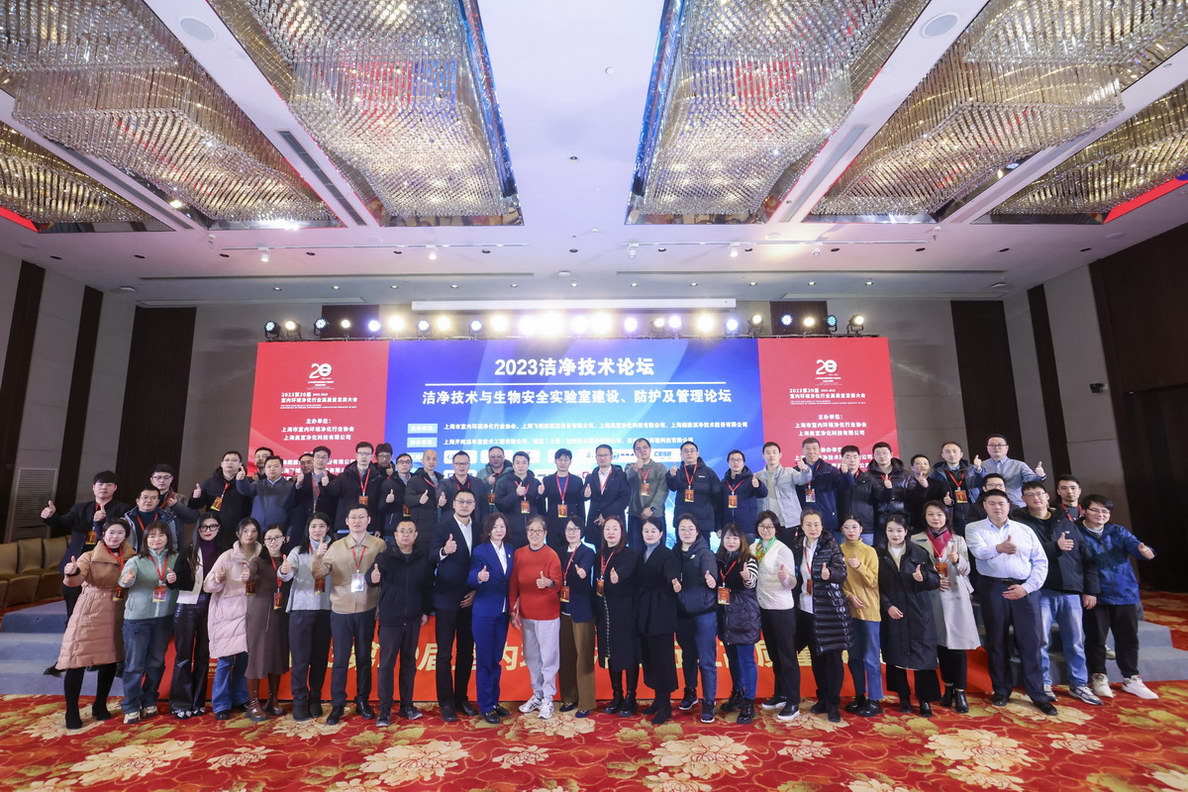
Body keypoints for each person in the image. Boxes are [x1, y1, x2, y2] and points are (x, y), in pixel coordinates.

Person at [1011, 481, 1102, 705]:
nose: (1036, 498)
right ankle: (1043, 682)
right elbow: (1023, 552)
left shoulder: (1065, 519)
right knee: (1040, 640)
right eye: (1030, 495)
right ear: (1023, 499)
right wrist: (1055, 547)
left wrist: (1090, 590)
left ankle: (1079, 684)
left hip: (1070, 588)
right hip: (1040, 589)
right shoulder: (1019, 523)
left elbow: (1086, 556)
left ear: (1047, 495)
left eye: (1039, 493)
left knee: (1075, 641)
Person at [965, 490, 1055, 714]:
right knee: (997, 641)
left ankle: (1037, 693)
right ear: (984, 506)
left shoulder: (1024, 530)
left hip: (1025, 589)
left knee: (1031, 642)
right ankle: (1001, 690)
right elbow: (979, 552)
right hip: (993, 588)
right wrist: (999, 548)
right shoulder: (974, 528)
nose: (997, 507)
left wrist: (1027, 587)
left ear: (1009, 505)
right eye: (992, 503)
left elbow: (1040, 561)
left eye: (1001, 503)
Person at [1078, 494, 1159, 700]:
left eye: (1105, 511)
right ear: (1084, 511)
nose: (1100, 514)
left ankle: (1131, 678)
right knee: (1096, 638)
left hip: (1123, 592)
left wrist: (1145, 551)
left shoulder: (1117, 531)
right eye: (1095, 510)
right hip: (1094, 594)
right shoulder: (1076, 531)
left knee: (1128, 638)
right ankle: (1098, 676)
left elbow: (1136, 546)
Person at [56, 518, 133, 728]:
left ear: (125, 536)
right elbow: (75, 579)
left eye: (120, 533)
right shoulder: (88, 556)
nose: (115, 536)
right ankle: (72, 710)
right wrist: (71, 571)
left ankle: (100, 704)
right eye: (111, 532)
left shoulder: (132, 556)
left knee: (110, 659)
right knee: (77, 658)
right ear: (103, 534)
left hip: (117, 608)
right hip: (90, 609)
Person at [313, 505, 386, 724]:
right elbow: (319, 573)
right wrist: (318, 557)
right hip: (341, 609)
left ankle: (362, 700)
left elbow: (385, 575)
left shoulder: (379, 545)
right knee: (341, 659)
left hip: (367, 608)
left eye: (361, 517)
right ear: (346, 521)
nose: (357, 521)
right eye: (353, 517)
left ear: (369, 520)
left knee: (364, 658)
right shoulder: (335, 546)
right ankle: (338, 704)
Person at [910, 501, 980, 714]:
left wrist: (957, 560)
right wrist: (931, 580)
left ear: (946, 517)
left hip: (955, 596)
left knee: (957, 647)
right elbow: (913, 569)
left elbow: (967, 569)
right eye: (931, 514)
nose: (935, 518)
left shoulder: (957, 540)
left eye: (939, 515)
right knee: (940, 645)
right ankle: (947, 688)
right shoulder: (916, 539)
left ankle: (960, 692)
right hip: (931, 596)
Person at [877, 514, 942, 717]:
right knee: (895, 655)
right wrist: (887, 606)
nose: (895, 534)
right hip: (893, 611)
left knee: (924, 656)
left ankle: (924, 700)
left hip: (918, 611)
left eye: (899, 530)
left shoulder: (919, 552)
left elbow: (935, 580)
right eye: (890, 530)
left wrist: (924, 577)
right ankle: (903, 697)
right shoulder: (878, 553)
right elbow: (875, 586)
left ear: (906, 532)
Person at [370, 519, 433, 726]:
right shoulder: (385, 557)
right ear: (395, 535)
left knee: (408, 663)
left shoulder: (422, 558)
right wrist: (372, 577)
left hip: (413, 619)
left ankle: (407, 705)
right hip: (390, 619)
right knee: (386, 665)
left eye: (410, 531)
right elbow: (370, 577)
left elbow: (427, 587)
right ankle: (385, 709)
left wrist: (425, 611)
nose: (406, 535)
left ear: (416, 535)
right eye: (402, 531)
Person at [117, 522, 181, 723]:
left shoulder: (176, 558)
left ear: (168, 538)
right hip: (137, 620)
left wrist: (176, 579)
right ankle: (131, 705)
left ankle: (149, 699)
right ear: (145, 539)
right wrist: (128, 579)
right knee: (134, 665)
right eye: (152, 536)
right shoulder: (136, 560)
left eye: (161, 535)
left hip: (164, 618)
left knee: (156, 663)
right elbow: (124, 581)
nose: (157, 539)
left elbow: (184, 583)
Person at [42, 470, 127, 620]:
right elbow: (62, 523)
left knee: (100, 606)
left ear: (115, 488)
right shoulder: (80, 508)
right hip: (77, 559)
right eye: (100, 484)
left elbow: (123, 532)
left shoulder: (122, 509)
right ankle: (71, 627)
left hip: (104, 562)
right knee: (71, 598)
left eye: (109, 484)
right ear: (93, 487)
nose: (104, 487)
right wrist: (51, 516)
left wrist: (102, 522)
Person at [791, 508, 850, 722]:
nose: (813, 528)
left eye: (816, 524)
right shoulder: (798, 546)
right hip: (806, 610)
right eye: (808, 524)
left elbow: (842, 572)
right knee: (816, 658)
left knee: (832, 659)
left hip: (829, 611)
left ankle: (833, 704)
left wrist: (830, 573)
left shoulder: (831, 545)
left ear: (822, 525)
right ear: (802, 526)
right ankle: (822, 698)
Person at [169, 515, 226, 719]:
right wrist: (171, 579)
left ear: (219, 528)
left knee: (203, 656)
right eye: (203, 527)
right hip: (187, 605)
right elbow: (175, 582)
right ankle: (180, 702)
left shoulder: (224, 552)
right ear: (198, 529)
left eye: (212, 526)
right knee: (183, 656)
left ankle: (198, 701)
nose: (208, 531)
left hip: (212, 606)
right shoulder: (188, 551)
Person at [203, 517, 260, 720]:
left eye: (253, 531)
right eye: (245, 531)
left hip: (251, 613)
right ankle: (221, 704)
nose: (249, 535)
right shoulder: (227, 556)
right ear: (238, 534)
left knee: (245, 659)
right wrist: (217, 579)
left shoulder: (261, 556)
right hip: (228, 614)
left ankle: (241, 697)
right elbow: (208, 585)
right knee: (225, 660)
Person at [430, 488, 479, 722]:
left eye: (469, 502)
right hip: (446, 598)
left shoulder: (479, 528)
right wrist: (443, 551)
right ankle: (446, 703)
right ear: (453, 504)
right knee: (444, 653)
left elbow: (484, 561)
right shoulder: (443, 526)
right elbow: (431, 556)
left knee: (466, 652)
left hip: (470, 599)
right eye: (461, 501)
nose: (465, 505)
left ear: (474, 505)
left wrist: (476, 591)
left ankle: (461, 698)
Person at [510, 515, 563, 719]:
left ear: (545, 533)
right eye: (531, 530)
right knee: (532, 657)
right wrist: (513, 610)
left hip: (548, 615)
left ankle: (549, 698)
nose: (534, 534)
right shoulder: (519, 554)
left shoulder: (551, 555)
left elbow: (558, 582)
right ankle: (537, 694)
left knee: (548, 658)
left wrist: (548, 583)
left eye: (538, 531)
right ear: (526, 533)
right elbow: (513, 584)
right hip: (526, 614)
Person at [752, 510, 799, 721]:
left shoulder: (783, 549)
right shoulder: (754, 548)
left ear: (776, 529)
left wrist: (784, 578)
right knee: (774, 655)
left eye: (770, 526)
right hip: (763, 607)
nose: (766, 529)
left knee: (787, 656)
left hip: (782, 609)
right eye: (762, 526)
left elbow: (793, 582)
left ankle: (793, 701)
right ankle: (780, 693)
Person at [243, 525, 293, 721]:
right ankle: (253, 703)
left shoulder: (288, 560)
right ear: (263, 542)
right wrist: (247, 576)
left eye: (277, 537)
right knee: (257, 657)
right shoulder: (257, 561)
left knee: (277, 656)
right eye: (269, 538)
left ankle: (272, 699)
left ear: (284, 539)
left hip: (281, 614)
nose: (273, 542)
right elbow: (249, 575)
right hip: (260, 615)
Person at [286, 513, 333, 721]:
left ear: (328, 528)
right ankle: (299, 700)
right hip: (301, 608)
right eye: (313, 526)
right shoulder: (298, 550)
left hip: (326, 608)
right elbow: (286, 574)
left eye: (321, 526)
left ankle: (315, 698)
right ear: (308, 529)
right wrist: (284, 570)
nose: (317, 530)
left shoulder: (335, 550)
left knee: (320, 658)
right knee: (300, 659)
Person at [674, 514, 720, 722]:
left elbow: (711, 575)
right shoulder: (674, 553)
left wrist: (711, 580)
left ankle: (709, 701)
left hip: (704, 614)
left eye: (690, 528)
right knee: (688, 656)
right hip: (682, 614)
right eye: (682, 529)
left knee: (706, 660)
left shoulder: (705, 552)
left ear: (697, 531)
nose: (686, 532)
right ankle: (690, 691)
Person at [469, 512, 514, 723]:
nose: (499, 530)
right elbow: (470, 575)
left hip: (502, 612)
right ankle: (486, 706)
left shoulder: (511, 550)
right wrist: (479, 577)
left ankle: (494, 702)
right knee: (485, 660)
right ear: (488, 530)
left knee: (496, 660)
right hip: (484, 612)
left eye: (502, 526)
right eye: (495, 526)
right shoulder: (480, 550)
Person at [636, 517, 680, 725]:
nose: (649, 534)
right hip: (645, 610)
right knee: (650, 658)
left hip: (661, 612)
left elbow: (672, 574)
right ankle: (657, 699)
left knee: (663, 659)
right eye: (646, 531)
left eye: (653, 531)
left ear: (661, 533)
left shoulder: (667, 554)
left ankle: (665, 705)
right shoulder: (641, 554)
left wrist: (674, 582)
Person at [595, 516, 640, 715]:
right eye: (607, 528)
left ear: (622, 532)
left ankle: (631, 697)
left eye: (615, 528)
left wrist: (618, 576)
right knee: (611, 653)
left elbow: (627, 573)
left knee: (628, 654)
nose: (611, 532)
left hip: (625, 613)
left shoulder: (629, 554)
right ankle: (617, 695)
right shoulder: (599, 555)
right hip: (605, 613)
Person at [716, 523, 760, 724]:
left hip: (744, 616)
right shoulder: (719, 559)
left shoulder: (748, 559)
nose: (731, 541)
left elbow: (752, 582)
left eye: (735, 538)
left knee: (746, 660)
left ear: (741, 540)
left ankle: (749, 701)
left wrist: (747, 577)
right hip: (726, 616)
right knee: (733, 659)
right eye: (727, 537)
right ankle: (738, 693)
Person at [840, 516, 882, 716]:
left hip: (869, 609)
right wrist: (848, 596)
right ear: (841, 529)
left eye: (854, 527)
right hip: (849, 610)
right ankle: (860, 695)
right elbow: (836, 581)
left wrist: (859, 567)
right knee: (854, 657)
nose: (850, 530)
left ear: (861, 529)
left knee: (871, 657)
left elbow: (873, 581)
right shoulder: (838, 550)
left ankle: (875, 699)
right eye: (846, 527)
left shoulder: (869, 551)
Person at [557, 517, 597, 718]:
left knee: (584, 657)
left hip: (582, 610)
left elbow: (585, 571)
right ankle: (569, 697)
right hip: (562, 609)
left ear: (581, 531)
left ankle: (586, 702)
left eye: (575, 529)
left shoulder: (587, 552)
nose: (571, 532)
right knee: (566, 656)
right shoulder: (559, 552)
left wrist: (582, 572)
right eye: (568, 529)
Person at [756, 441, 811, 547]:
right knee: (768, 552)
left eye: (774, 452)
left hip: (788, 522)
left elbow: (803, 479)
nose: (771, 455)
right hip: (767, 524)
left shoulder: (789, 472)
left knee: (789, 552)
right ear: (763, 456)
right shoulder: (757, 476)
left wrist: (805, 469)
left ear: (780, 455)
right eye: (768, 452)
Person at [192, 451, 253, 544]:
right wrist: (196, 496)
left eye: (234, 460)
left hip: (238, 530)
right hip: (214, 528)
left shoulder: (247, 482)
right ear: (221, 464)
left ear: (240, 464)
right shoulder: (211, 482)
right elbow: (197, 505)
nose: (230, 463)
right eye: (227, 460)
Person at [324, 442, 383, 535]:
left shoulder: (378, 477)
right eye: (361, 453)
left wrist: (378, 527)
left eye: (367, 454)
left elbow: (379, 505)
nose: (364, 456)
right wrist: (325, 484)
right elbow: (332, 492)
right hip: (345, 526)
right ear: (356, 455)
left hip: (368, 527)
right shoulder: (344, 476)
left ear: (372, 456)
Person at [666, 442, 721, 539]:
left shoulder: (709, 472)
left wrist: (718, 525)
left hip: (703, 522)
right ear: (681, 455)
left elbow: (718, 498)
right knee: (681, 548)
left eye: (692, 451)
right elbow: (672, 487)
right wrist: (672, 476)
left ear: (697, 453)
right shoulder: (677, 472)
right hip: (682, 522)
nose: (689, 453)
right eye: (686, 451)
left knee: (703, 548)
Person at [237, 457, 298, 541]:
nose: (272, 469)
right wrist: (241, 480)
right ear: (265, 470)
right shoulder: (258, 484)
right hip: (257, 530)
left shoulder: (290, 487)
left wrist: (289, 532)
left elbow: (294, 512)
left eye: (276, 466)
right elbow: (245, 491)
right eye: (269, 466)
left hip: (278, 532)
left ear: (282, 469)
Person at [796, 438, 848, 536]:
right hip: (804, 521)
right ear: (803, 450)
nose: (811, 452)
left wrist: (845, 474)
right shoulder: (795, 471)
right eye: (808, 449)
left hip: (826, 519)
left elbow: (844, 487)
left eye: (814, 448)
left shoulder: (830, 470)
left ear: (820, 450)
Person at [975, 434, 1045, 508]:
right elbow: (975, 485)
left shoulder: (1019, 465)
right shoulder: (980, 465)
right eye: (992, 445)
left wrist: (1040, 476)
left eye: (1000, 445)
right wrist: (978, 470)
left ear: (1007, 448)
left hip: (1016, 504)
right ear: (987, 448)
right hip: (991, 507)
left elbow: (1031, 482)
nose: (996, 448)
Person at [626, 437, 669, 551]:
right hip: (636, 515)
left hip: (656, 514)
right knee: (635, 550)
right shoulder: (630, 467)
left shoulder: (660, 467)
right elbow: (626, 479)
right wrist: (635, 467)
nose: (642, 450)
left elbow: (663, 490)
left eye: (645, 447)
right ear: (634, 452)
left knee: (658, 550)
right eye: (638, 448)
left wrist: (651, 508)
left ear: (650, 450)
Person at [540, 448, 587, 549]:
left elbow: (580, 504)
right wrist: (540, 494)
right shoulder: (547, 480)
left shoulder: (577, 480)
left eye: (566, 460)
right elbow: (541, 503)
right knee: (553, 552)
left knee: (571, 552)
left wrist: (582, 524)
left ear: (570, 461)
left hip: (572, 523)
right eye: (560, 459)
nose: (563, 463)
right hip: (553, 523)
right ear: (555, 461)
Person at [930, 442, 982, 534]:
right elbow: (933, 495)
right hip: (951, 514)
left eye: (955, 451)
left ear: (961, 454)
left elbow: (983, 483)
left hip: (972, 510)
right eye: (948, 452)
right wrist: (945, 501)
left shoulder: (972, 469)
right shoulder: (936, 473)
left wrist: (978, 469)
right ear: (943, 455)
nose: (952, 454)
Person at [493, 451, 541, 548]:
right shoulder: (503, 482)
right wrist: (515, 494)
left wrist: (540, 495)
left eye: (524, 462)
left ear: (528, 465)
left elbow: (540, 508)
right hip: (512, 532)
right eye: (517, 463)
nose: (521, 466)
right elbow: (500, 505)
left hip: (532, 532)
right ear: (513, 465)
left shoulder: (535, 482)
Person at [720, 451, 767, 542]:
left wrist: (757, 486)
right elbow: (719, 506)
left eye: (739, 460)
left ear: (743, 462)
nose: (736, 462)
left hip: (747, 528)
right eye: (732, 460)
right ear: (728, 463)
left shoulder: (751, 479)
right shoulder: (723, 482)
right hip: (728, 528)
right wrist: (719, 527)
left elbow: (763, 493)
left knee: (748, 551)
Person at [585, 444, 630, 538]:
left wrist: (605, 515)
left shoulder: (621, 476)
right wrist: (585, 495)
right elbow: (584, 495)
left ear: (611, 456)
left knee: (616, 546)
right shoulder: (590, 476)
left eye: (605, 455)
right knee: (598, 546)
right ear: (596, 457)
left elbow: (624, 499)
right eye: (599, 455)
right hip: (596, 521)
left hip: (614, 520)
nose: (602, 458)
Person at [867, 442, 910, 535]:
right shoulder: (867, 476)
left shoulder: (905, 474)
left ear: (891, 454)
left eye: (885, 453)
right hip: (878, 521)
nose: (882, 456)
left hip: (901, 520)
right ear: (873, 456)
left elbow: (912, 498)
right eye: (878, 454)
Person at [837, 446, 877, 545]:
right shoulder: (836, 477)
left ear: (860, 458)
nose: (852, 460)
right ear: (842, 459)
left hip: (865, 528)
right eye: (848, 457)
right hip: (842, 528)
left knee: (867, 554)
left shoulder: (869, 478)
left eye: (855, 457)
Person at [123, 487, 182, 551]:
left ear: (158, 501)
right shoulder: (127, 520)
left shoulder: (167, 519)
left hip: (160, 555)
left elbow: (173, 542)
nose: (149, 500)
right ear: (138, 501)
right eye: (145, 497)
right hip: (134, 555)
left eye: (153, 498)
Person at [404, 449, 443, 548]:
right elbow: (407, 499)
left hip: (439, 523)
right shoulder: (415, 479)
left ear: (437, 461)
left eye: (434, 459)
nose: (431, 462)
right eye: (428, 459)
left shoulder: (441, 479)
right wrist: (419, 499)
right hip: (422, 527)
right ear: (422, 461)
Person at [440, 451, 490, 521]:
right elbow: (439, 495)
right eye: (458, 463)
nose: (461, 466)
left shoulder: (478, 483)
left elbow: (484, 508)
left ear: (469, 465)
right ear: (453, 465)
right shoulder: (445, 483)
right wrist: (440, 501)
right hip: (452, 524)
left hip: (475, 524)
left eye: (465, 463)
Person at [903, 454, 947, 532]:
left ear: (929, 467)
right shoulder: (906, 483)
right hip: (913, 523)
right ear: (912, 468)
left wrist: (949, 501)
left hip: (933, 523)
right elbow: (909, 502)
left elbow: (945, 501)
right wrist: (923, 487)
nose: (922, 466)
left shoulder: (938, 484)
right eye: (918, 463)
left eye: (925, 464)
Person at [378, 452, 413, 546]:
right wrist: (387, 501)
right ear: (396, 465)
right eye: (401, 462)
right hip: (392, 528)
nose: (404, 464)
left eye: (407, 462)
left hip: (412, 526)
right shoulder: (388, 482)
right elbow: (380, 508)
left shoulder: (416, 481)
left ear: (411, 465)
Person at [480, 446, 510, 514]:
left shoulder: (512, 473)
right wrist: (487, 483)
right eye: (492, 457)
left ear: (504, 457)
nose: (496, 459)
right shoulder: (481, 473)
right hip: (485, 514)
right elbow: (477, 493)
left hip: (506, 515)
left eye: (499, 456)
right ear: (488, 458)